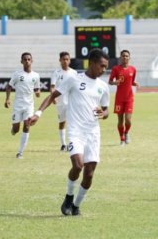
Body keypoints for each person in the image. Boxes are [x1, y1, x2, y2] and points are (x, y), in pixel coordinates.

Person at [29, 48, 110, 216]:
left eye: (105, 67)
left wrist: (104, 113)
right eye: (102, 66)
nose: (104, 70)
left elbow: (106, 110)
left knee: (89, 175)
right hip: (76, 131)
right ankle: (68, 196)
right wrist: (38, 113)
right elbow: (52, 96)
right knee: (78, 165)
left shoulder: (103, 86)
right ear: (92, 63)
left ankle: (76, 205)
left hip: (93, 133)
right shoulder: (74, 79)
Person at [4, 52, 40, 159]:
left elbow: (37, 88)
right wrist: (7, 99)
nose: (27, 61)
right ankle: (13, 129)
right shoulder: (17, 74)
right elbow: (9, 86)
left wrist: (37, 93)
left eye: (29, 59)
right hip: (18, 105)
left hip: (29, 105)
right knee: (16, 129)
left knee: (27, 125)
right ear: (21, 61)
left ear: (32, 61)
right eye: (25, 59)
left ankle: (20, 152)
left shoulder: (36, 75)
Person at [109, 50, 138, 145]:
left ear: (129, 58)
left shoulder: (133, 69)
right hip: (119, 99)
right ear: (120, 57)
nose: (125, 57)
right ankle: (121, 139)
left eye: (127, 56)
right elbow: (110, 81)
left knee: (128, 120)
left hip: (129, 98)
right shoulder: (116, 69)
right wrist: (114, 82)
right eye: (123, 56)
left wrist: (135, 84)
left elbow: (131, 81)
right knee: (120, 120)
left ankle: (126, 133)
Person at [50, 51, 77, 151]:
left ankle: (71, 144)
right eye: (63, 59)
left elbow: (76, 87)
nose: (65, 61)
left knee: (72, 123)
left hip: (72, 102)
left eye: (67, 59)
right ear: (60, 60)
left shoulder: (74, 73)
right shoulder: (56, 73)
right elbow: (52, 87)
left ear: (69, 60)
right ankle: (63, 144)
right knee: (62, 122)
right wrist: (53, 97)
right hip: (61, 102)